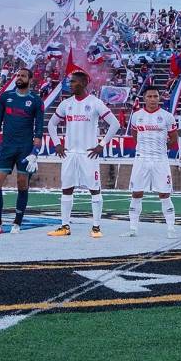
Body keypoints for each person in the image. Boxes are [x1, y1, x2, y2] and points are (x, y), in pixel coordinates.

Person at [46, 71, 120, 237]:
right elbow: (51, 124)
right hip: (69, 154)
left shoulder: (95, 103)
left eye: (73, 82)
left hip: (89, 154)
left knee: (94, 189)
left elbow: (114, 124)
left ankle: (96, 227)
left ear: (83, 83)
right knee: (66, 189)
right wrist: (57, 144)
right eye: (70, 82)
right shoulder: (66, 104)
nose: (70, 84)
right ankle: (65, 226)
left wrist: (101, 145)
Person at [0, 68, 44, 235]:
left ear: (30, 80)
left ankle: (17, 223)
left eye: (23, 76)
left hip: (25, 149)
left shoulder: (36, 101)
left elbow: (39, 130)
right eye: (17, 75)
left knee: (22, 185)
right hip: (6, 147)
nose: (19, 78)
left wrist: (34, 154)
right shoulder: (5, 97)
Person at [125, 86, 178, 238]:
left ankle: (171, 229)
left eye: (155, 96)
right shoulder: (136, 116)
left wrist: (161, 149)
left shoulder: (167, 116)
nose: (153, 99)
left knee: (165, 193)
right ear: (144, 98)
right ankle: (133, 228)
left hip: (160, 160)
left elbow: (174, 138)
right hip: (141, 158)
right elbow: (135, 135)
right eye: (150, 96)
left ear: (159, 98)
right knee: (136, 193)